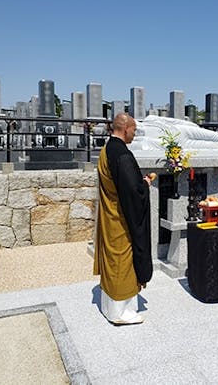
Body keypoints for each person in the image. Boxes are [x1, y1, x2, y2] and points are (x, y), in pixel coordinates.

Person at [93, 113, 153, 326]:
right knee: (122, 260)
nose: (134, 135)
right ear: (125, 128)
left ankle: (109, 306)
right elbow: (132, 194)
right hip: (121, 220)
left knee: (112, 259)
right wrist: (145, 184)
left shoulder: (107, 149)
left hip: (110, 214)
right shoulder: (122, 155)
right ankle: (120, 312)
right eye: (134, 130)